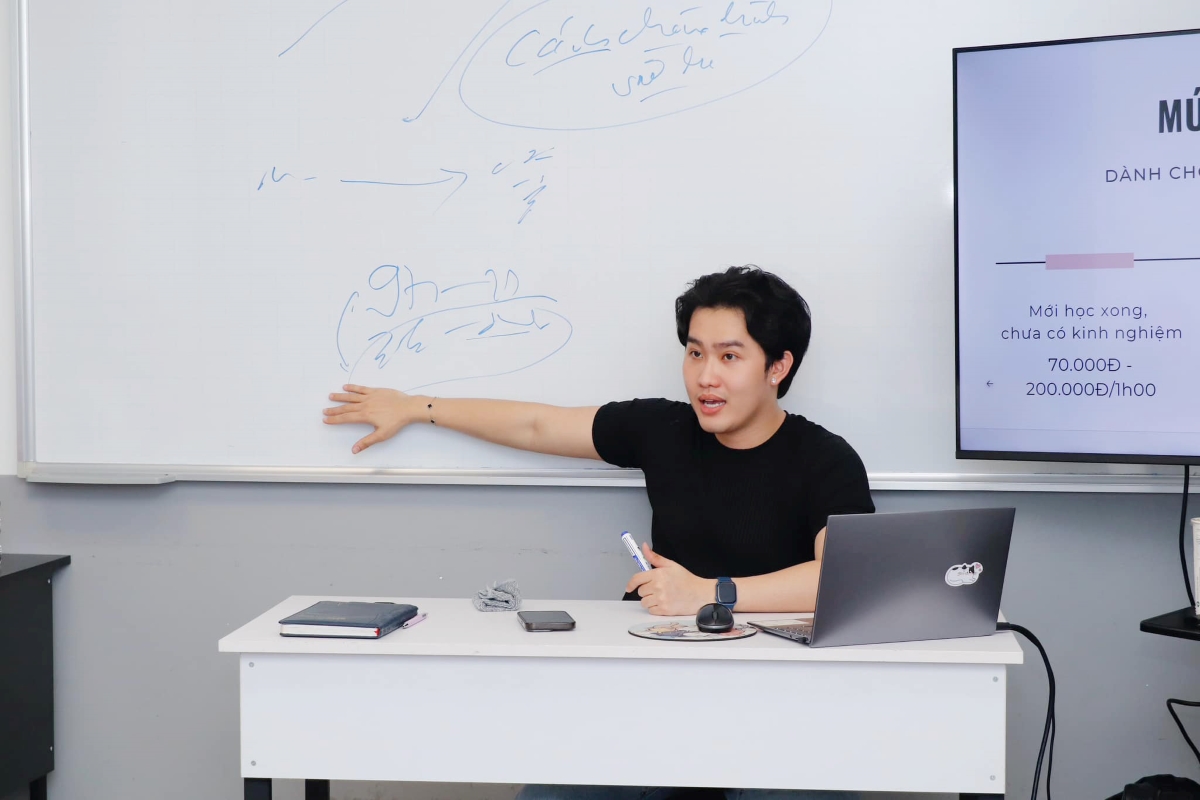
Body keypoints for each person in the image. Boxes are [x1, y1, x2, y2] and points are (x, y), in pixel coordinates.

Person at [323, 265, 873, 799]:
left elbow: (846, 579)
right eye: (695, 352)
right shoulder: (663, 428)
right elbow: (537, 425)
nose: (706, 376)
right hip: (656, 687)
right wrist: (415, 407)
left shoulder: (825, 458)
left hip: (779, 696)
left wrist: (711, 592)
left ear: (778, 366)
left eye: (729, 356)